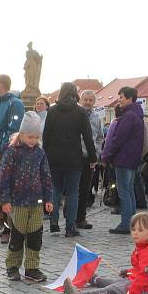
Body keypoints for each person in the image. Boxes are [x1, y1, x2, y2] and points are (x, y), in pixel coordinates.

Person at [63, 212, 148, 294]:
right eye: (133, 229)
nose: (135, 232)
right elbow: (140, 271)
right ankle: (95, 279)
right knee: (119, 282)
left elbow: (143, 278)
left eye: (140, 230)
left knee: (115, 288)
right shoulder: (145, 246)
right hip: (144, 288)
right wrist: (128, 272)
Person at [0, 112, 53, 282]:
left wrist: (49, 198)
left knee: (35, 236)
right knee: (17, 235)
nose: (33, 140)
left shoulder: (40, 152)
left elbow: (46, 176)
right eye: (30, 137)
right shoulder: (12, 152)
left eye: (36, 137)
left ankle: (32, 267)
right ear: (21, 135)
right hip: (18, 202)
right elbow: (4, 178)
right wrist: (5, 200)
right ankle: (12, 266)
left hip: (36, 202)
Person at [43, 82, 97, 238]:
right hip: (74, 158)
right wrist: (93, 157)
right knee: (73, 193)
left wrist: (44, 155)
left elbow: (46, 136)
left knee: (56, 190)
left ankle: (53, 221)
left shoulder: (52, 111)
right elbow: (88, 138)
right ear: (75, 94)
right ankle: (70, 227)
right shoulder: (80, 112)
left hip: (54, 157)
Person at [0, 74, 25, 243]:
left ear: (1, 85)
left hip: (3, 152)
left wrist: (4, 147)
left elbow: (13, 128)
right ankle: (0, 220)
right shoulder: (0, 103)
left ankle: (9, 226)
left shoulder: (14, 103)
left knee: (6, 189)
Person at [101, 87, 145, 234]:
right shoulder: (137, 114)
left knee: (124, 191)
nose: (119, 100)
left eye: (121, 97)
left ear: (129, 98)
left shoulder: (128, 116)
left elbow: (118, 139)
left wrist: (107, 155)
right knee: (129, 189)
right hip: (133, 158)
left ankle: (126, 223)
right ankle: (132, 222)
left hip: (124, 158)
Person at [76, 90, 105, 230]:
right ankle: (71, 215)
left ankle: (81, 218)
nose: (87, 102)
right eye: (85, 99)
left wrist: (96, 151)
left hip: (90, 158)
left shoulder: (96, 117)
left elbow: (100, 137)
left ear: (94, 102)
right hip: (75, 156)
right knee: (72, 188)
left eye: (90, 100)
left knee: (85, 189)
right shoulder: (75, 114)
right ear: (81, 100)